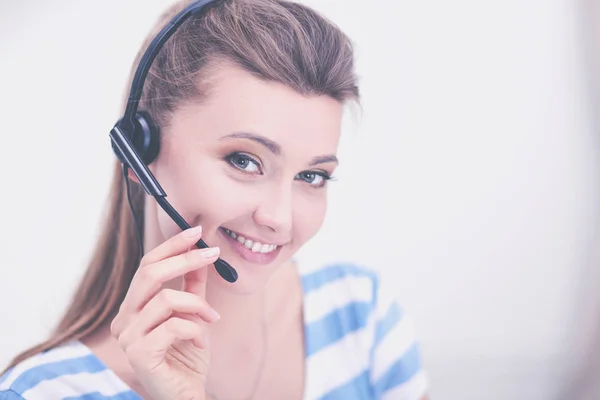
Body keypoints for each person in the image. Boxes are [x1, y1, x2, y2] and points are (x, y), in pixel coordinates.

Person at [0, 0, 429, 399]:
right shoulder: (43, 392)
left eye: (312, 176)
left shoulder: (360, 315)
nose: (278, 218)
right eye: (244, 161)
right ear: (140, 153)